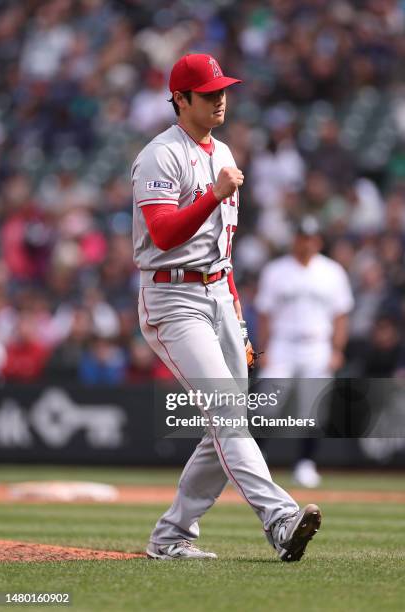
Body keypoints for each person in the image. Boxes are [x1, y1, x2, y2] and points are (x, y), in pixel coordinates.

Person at [131, 53, 321, 561]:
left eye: (223, 89)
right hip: (172, 297)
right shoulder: (160, 155)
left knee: (230, 418)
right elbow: (163, 233)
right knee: (227, 413)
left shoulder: (223, 151)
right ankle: (280, 519)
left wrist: (236, 315)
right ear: (180, 99)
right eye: (209, 91)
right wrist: (213, 195)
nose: (220, 98)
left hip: (218, 293)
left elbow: (224, 249)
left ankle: (172, 535)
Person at [255, 216, 354, 487]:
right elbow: (264, 315)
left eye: (311, 237)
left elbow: (341, 316)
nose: (306, 242)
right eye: (301, 236)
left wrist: (337, 349)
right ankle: (255, 460)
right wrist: (264, 350)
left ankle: (305, 464)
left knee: (313, 408)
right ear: (294, 239)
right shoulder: (276, 270)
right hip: (282, 343)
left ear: (319, 241)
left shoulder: (332, 271)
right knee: (267, 405)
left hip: (317, 345)